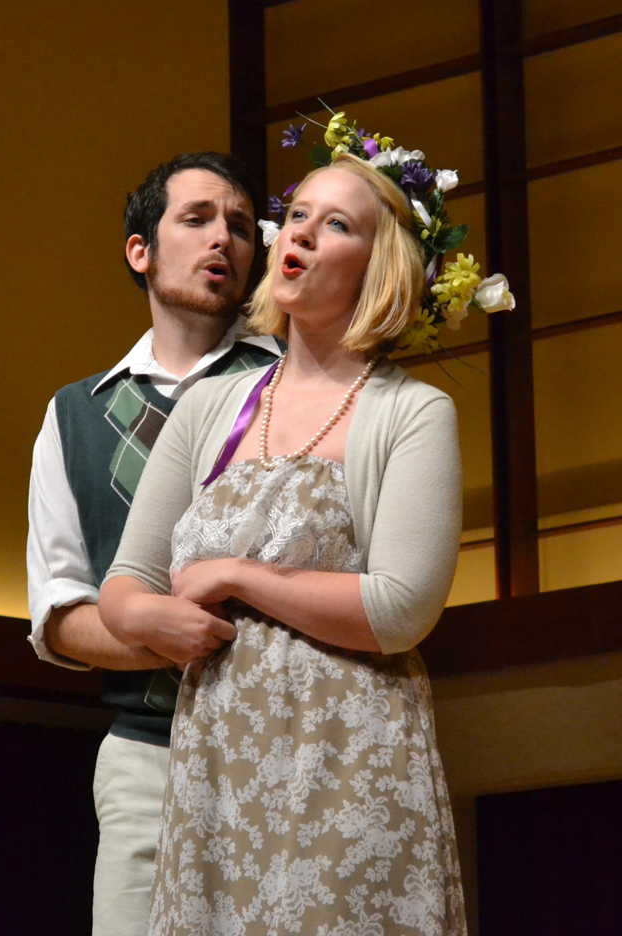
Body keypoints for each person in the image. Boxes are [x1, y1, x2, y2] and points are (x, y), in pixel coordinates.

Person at [99, 127, 504, 934]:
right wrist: (155, 620)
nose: (302, 233)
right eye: (299, 214)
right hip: (218, 765)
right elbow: (124, 583)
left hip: (351, 759)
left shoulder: (411, 412)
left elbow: (400, 610)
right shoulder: (211, 408)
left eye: (339, 225)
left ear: (380, 268)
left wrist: (241, 578)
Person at [26, 152, 281, 936]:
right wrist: (160, 637)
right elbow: (59, 612)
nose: (223, 241)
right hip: (145, 750)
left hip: (286, 742)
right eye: (197, 218)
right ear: (140, 250)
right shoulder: (75, 415)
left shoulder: (293, 384)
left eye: (240, 226)